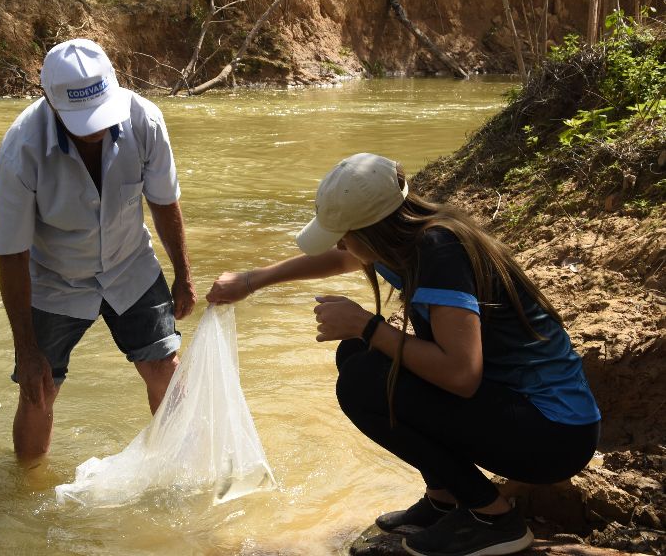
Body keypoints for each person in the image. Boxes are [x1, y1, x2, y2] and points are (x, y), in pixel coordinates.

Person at [206, 153, 600, 556]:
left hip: (553, 435)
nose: (340, 242)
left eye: (344, 232)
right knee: (356, 355)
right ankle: (445, 496)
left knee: (363, 382)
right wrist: (254, 280)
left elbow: (462, 375)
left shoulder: (439, 253)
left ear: (374, 230)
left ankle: (493, 519)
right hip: (526, 416)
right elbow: (343, 256)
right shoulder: (409, 240)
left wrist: (366, 323)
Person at [0, 38, 196, 464]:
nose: (97, 130)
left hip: (129, 265)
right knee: (39, 389)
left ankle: (179, 470)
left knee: (167, 372)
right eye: (82, 122)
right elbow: (11, 254)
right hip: (55, 279)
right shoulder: (21, 147)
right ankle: (27, 489)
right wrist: (25, 349)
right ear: (48, 99)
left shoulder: (145, 120)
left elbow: (163, 201)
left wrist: (183, 273)